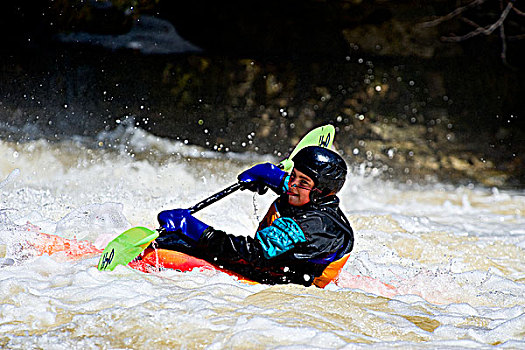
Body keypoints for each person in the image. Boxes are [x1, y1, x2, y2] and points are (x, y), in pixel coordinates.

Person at [155, 146, 354, 287]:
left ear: (321, 191)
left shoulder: (312, 226)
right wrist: (268, 174)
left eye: (303, 181)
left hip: (285, 281)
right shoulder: (309, 196)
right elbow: (290, 185)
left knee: (177, 241)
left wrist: (192, 227)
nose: (292, 184)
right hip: (276, 262)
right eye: (293, 174)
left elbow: (251, 252)